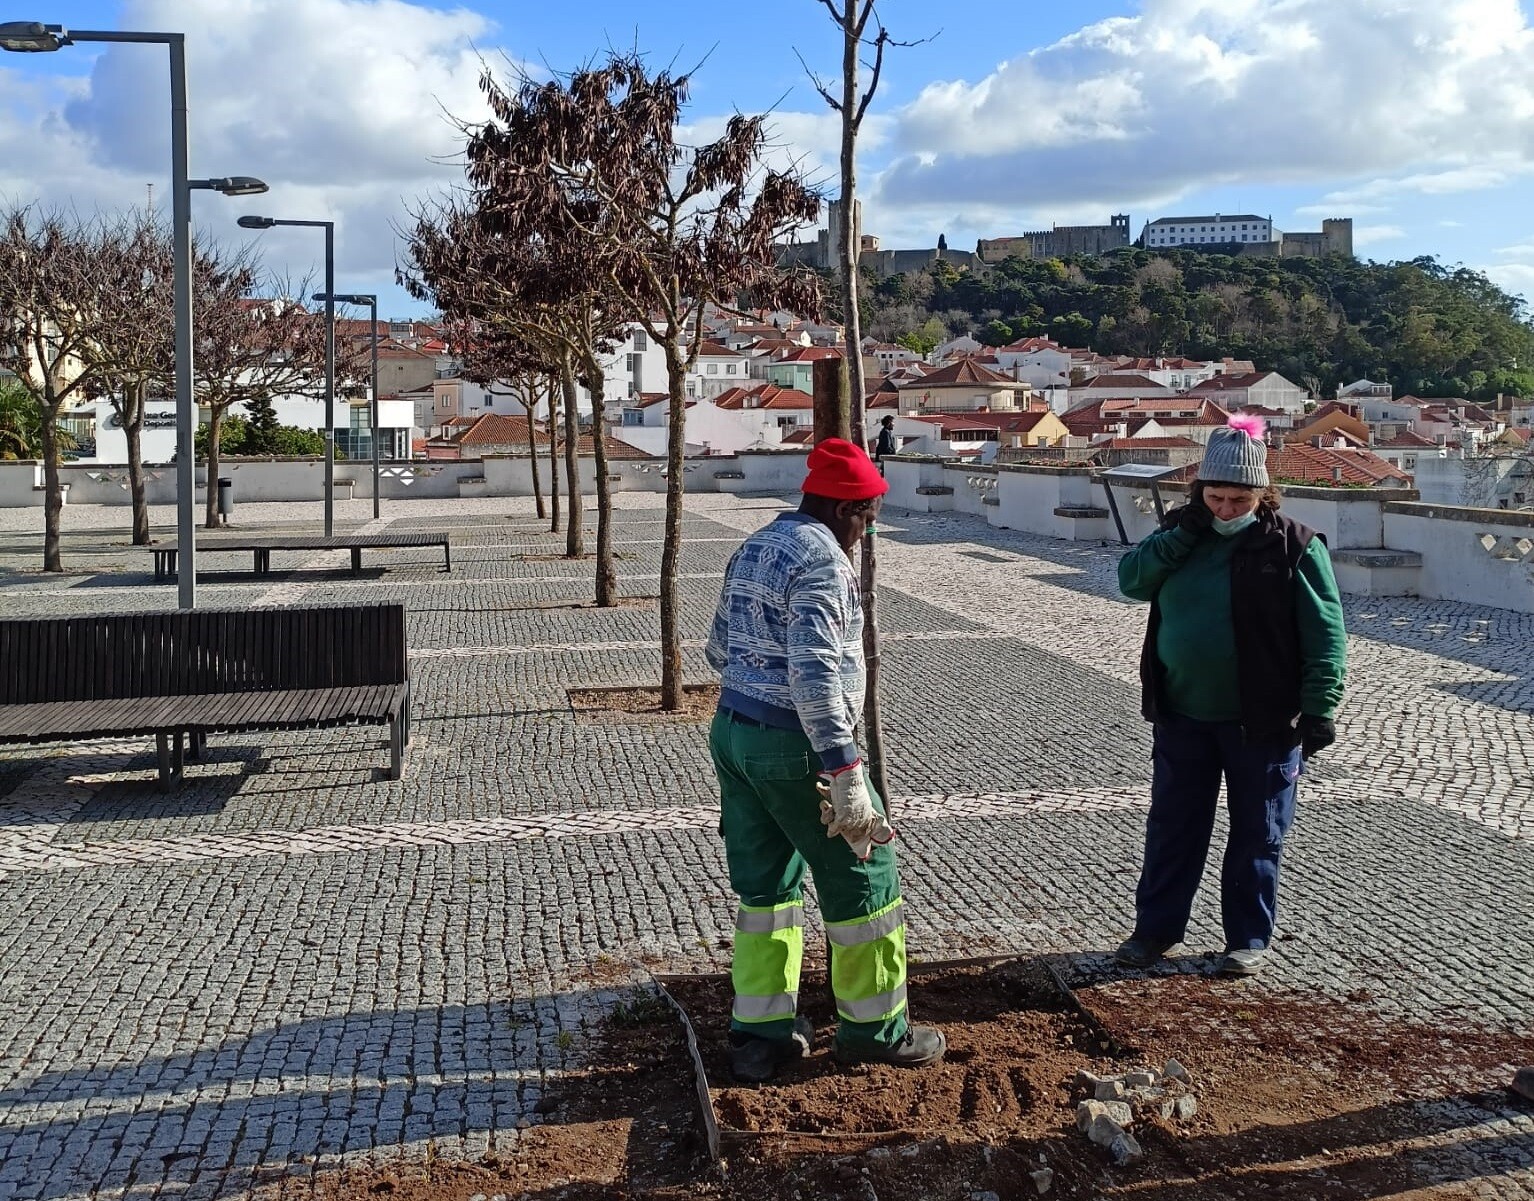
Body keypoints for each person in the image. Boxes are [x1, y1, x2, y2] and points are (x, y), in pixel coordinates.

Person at [705, 437, 946, 1082]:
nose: (866, 534)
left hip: (734, 731)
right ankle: (873, 1031)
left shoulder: (756, 545)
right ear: (846, 511)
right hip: (797, 747)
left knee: (766, 890)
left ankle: (761, 1032)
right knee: (864, 877)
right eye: (867, 519)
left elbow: (716, 647)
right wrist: (843, 769)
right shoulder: (824, 561)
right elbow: (815, 674)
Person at [1113, 414, 1347, 977]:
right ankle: (1155, 931)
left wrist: (1320, 709)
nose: (1224, 509)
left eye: (1238, 499)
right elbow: (1131, 582)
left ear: (1262, 493)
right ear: (1199, 492)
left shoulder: (1294, 545)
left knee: (1257, 834)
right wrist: (1181, 537)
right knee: (1173, 828)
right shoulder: (1179, 533)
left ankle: (1247, 938)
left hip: (1262, 722)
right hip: (1183, 714)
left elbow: (1326, 632)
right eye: (1215, 497)